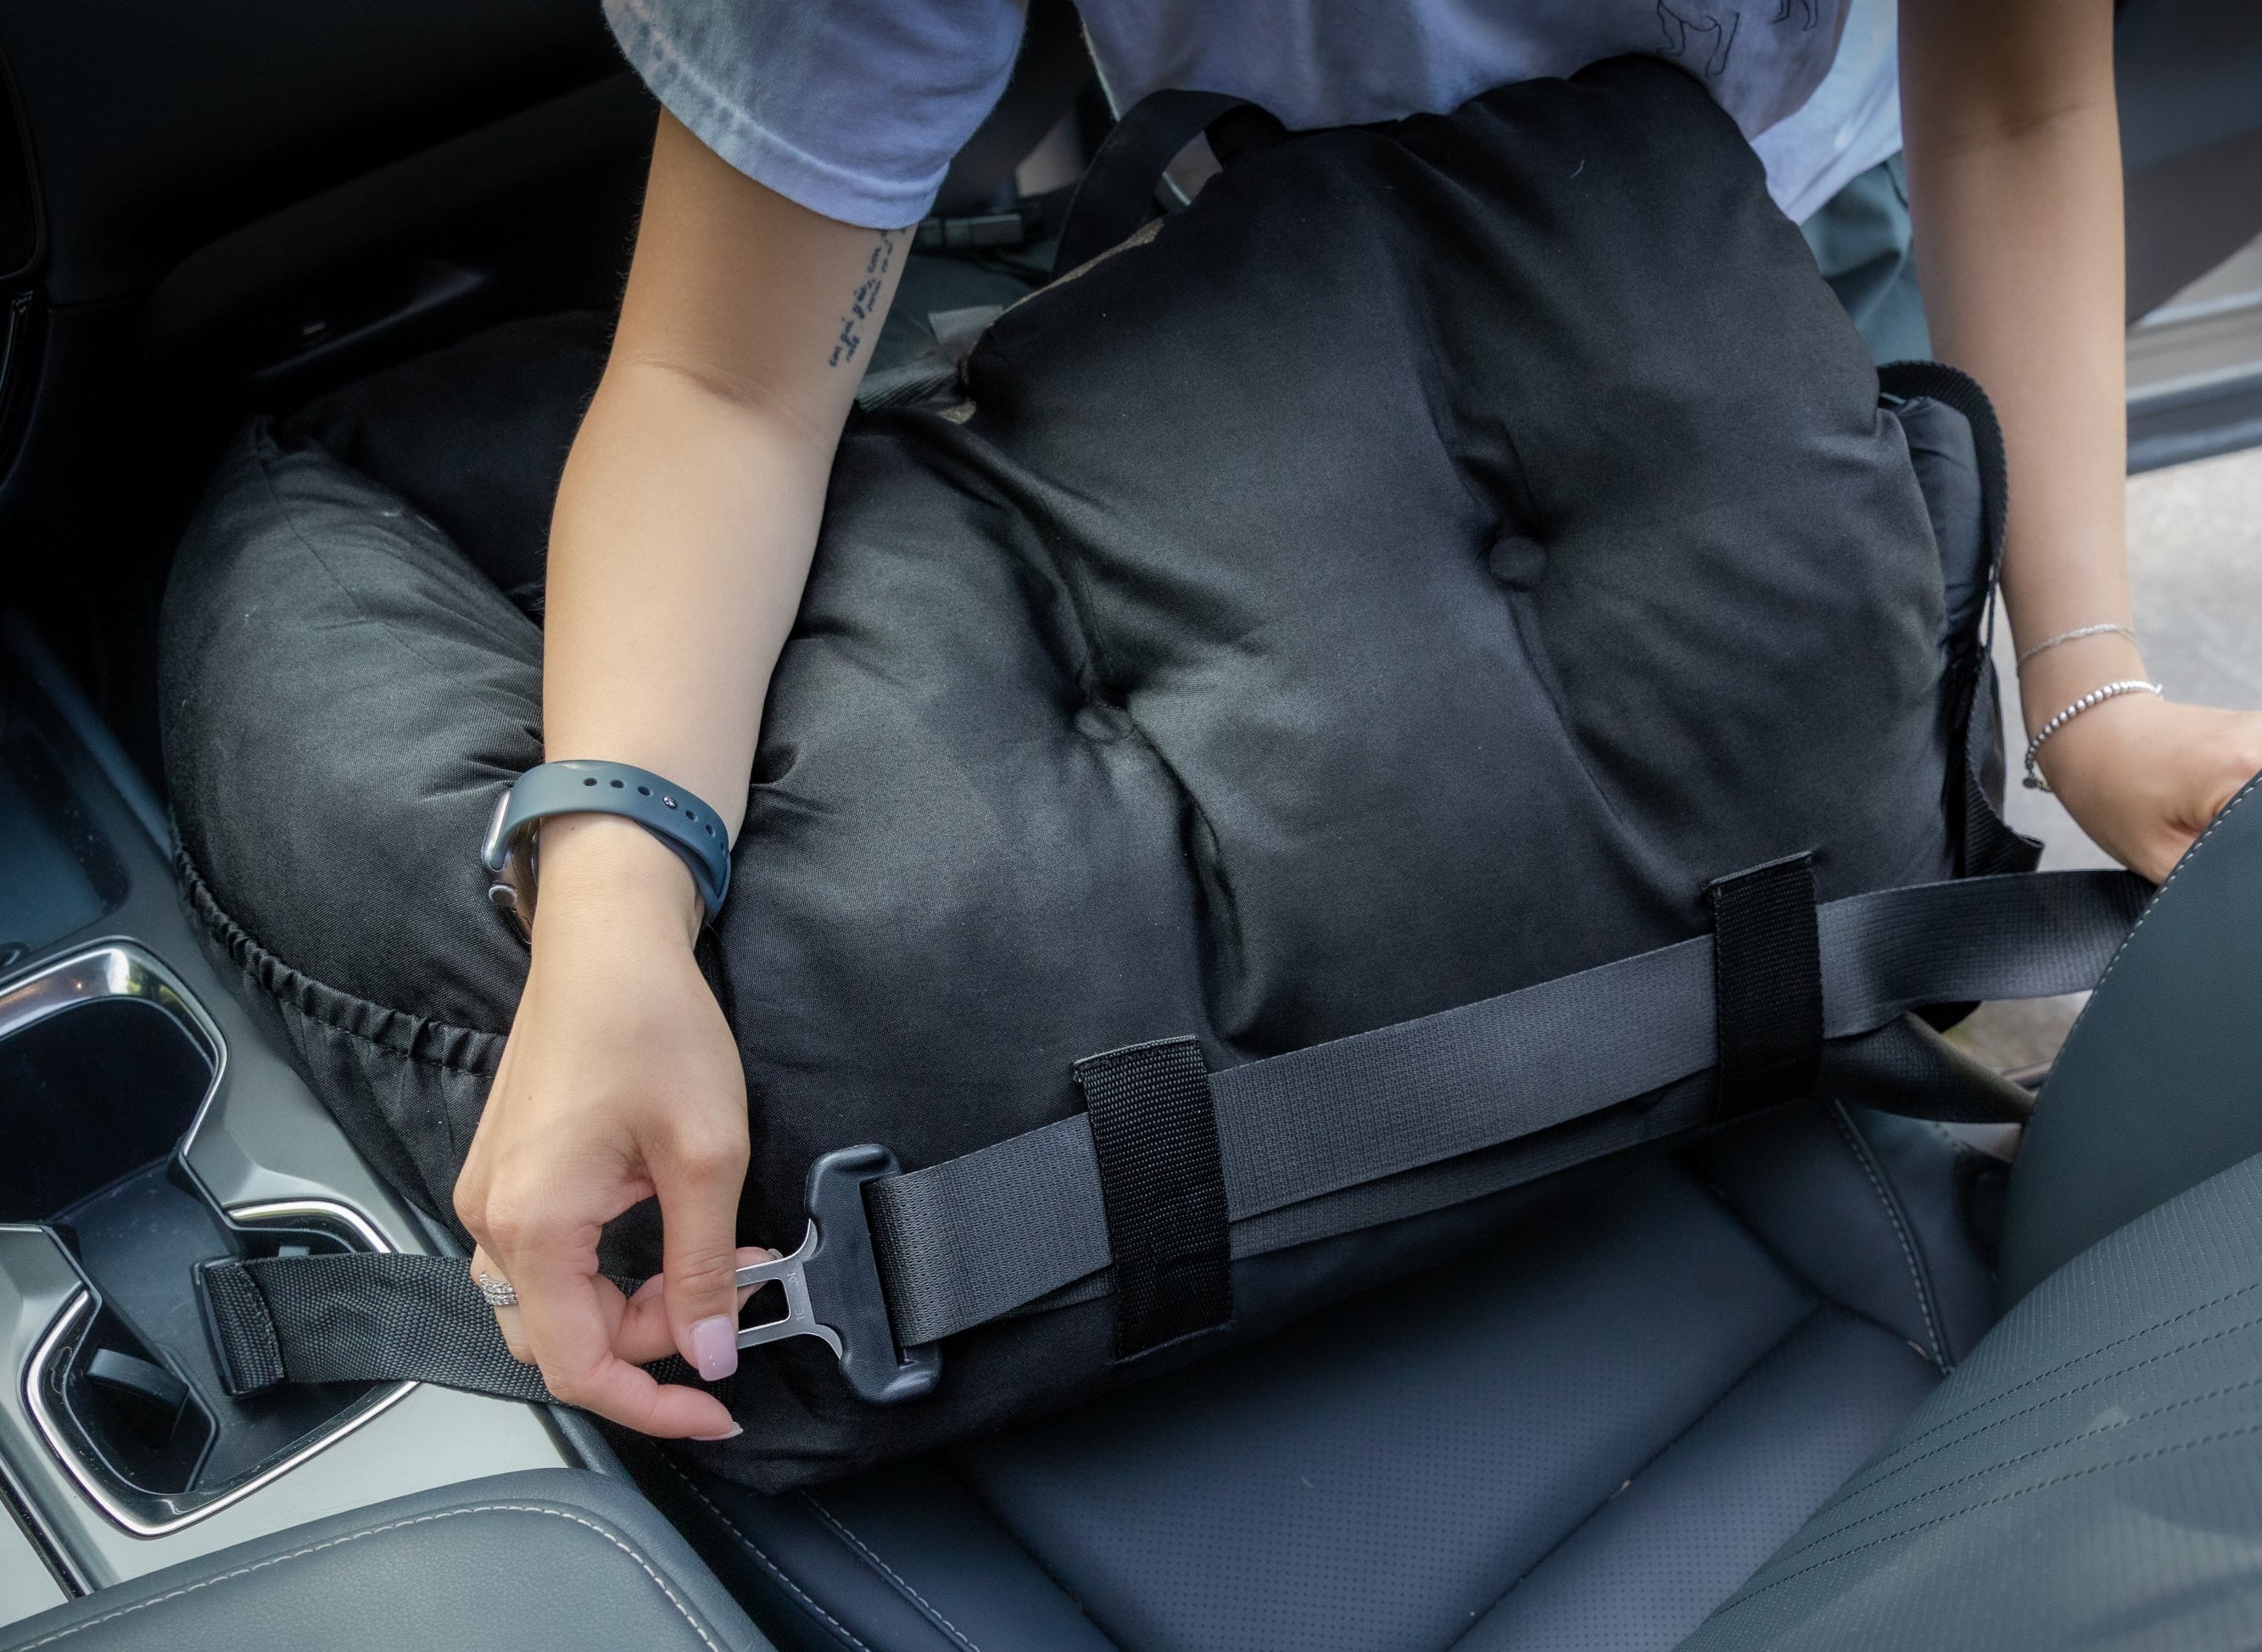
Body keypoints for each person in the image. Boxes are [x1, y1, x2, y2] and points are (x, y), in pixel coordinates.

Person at [452, 0, 2262, 1442]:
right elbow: (721, 384)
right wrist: (615, 904)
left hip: (1777, 249)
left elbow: (2011, 100)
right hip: (1286, 348)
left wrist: (2081, 687)